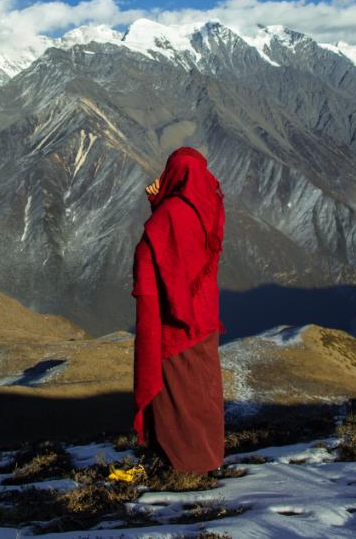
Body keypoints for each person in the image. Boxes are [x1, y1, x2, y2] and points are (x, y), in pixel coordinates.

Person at [131, 146, 226, 474]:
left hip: (177, 322)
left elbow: (155, 248)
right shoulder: (208, 206)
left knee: (177, 395)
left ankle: (182, 464)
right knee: (204, 393)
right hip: (206, 318)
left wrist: (160, 206)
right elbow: (184, 249)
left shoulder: (170, 214)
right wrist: (160, 202)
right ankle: (209, 457)